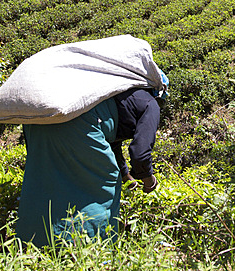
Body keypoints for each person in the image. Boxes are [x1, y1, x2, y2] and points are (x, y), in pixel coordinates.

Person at [15, 78, 165, 248]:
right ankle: (92, 250)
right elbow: (140, 153)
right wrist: (149, 181)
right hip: (78, 122)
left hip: (38, 121)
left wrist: (127, 177)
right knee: (103, 182)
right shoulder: (150, 104)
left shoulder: (116, 93)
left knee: (46, 178)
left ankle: (32, 244)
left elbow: (112, 143)